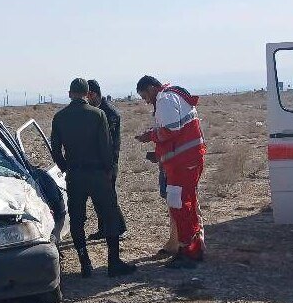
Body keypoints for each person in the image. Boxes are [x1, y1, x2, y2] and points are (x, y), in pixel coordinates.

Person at [50, 78, 136, 278]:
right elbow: (106, 146)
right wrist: (108, 170)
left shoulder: (60, 117)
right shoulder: (98, 114)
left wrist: (65, 167)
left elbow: (55, 150)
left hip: (75, 175)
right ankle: (113, 263)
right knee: (109, 215)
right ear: (87, 94)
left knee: (77, 219)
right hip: (97, 173)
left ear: (70, 94)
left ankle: (85, 263)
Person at [134, 75, 206, 268]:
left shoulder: (165, 99)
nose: (146, 101)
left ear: (151, 88)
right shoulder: (172, 96)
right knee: (185, 204)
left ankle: (189, 251)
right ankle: (191, 247)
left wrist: (150, 136)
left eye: (145, 96)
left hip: (183, 162)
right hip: (185, 160)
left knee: (181, 205)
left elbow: (171, 130)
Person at [86, 79, 127, 240]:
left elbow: (109, 142)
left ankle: (120, 228)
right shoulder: (96, 111)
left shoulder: (109, 112)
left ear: (93, 94)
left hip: (108, 162)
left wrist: (109, 166)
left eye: (87, 96)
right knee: (98, 197)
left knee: (109, 197)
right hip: (97, 162)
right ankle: (103, 229)